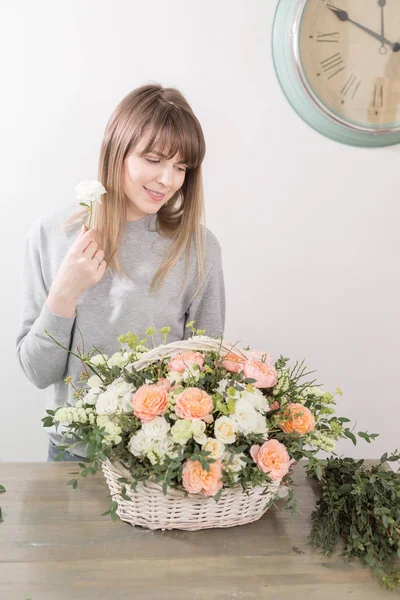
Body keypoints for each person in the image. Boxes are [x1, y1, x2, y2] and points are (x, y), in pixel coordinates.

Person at [16, 83, 226, 462]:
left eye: (181, 167)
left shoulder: (199, 248)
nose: (168, 179)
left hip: (163, 462)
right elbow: (37, 372)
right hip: (74, 456)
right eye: (154, 159)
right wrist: (65, 294)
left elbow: (206, 376)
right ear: (118, 151)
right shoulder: (51, 235)